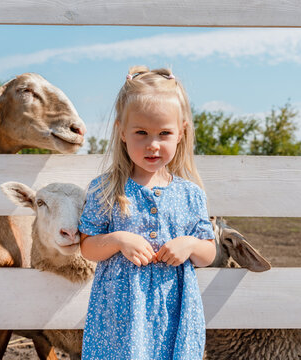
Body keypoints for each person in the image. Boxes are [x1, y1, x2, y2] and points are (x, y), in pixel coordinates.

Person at [78, 65, 216, 360]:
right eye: (141, 132)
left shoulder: (190, 194)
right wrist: (117, 240)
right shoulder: (105, 189)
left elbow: (208, 253)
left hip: (173, 311)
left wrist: (189, 245)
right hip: (120, 317)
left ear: (181, 133)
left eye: (164, 133)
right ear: (122, 133)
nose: (153, 144)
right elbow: (87, 247)